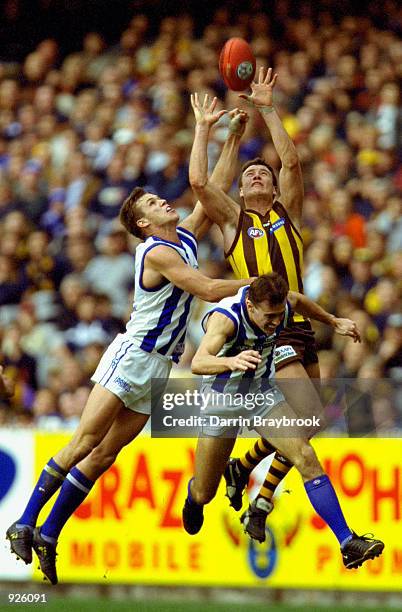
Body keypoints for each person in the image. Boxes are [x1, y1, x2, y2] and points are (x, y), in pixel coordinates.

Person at [5, 100, 252, 586]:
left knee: (104, 456)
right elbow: (204, 289)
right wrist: (254, 283)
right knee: (84, 442)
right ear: (143, 223)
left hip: (158, 368)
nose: (165, 202)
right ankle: (25, 521)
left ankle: (50, 535)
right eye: (153, 205)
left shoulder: (180, 237)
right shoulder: (158, 250)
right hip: (133, 356)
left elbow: (212, 189)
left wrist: (230, 138)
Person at [188, 75, 333, 540]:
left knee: (309, 423)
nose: (256, 174)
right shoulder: (234, 221)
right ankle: (250, 489)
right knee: (307, 418)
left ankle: (247, 472)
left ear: (272, 188)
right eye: (250, 174)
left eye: (263, 174)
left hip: (299, 325)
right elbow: (199, 184)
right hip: (266, 330)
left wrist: (268, 109)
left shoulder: (286, 212)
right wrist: (212, 131)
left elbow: (290, 161)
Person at [182, 273, 384, 570]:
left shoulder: (282, 306)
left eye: (279, 316)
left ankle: (346, 541)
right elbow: (198, 361)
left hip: (262, 395)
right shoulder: (226, 319)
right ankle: (197, 496)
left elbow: (299, 301)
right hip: (221, 401)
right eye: (269, 317)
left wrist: (333, 321)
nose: (276, 322)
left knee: (305, 454)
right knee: (205, 492)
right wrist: (230, 362)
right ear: (250, 306)